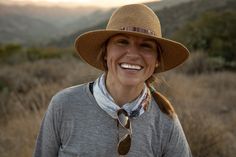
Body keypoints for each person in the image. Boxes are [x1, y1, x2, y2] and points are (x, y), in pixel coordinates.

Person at [33, 3, 192, 157]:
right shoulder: (64, 105)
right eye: (122, 42)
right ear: (105, 52)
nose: (133, 54)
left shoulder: (165, 120)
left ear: (157, 60)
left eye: (146, 46)